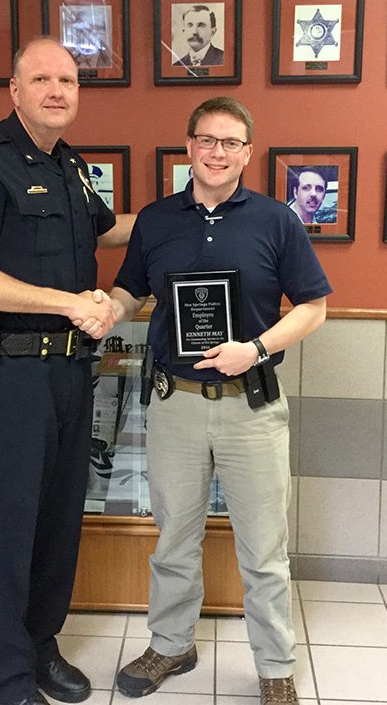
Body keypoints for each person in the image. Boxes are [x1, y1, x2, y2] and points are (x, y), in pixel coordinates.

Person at [94, 97, 331, 705]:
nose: (217, 152)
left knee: (263, 548)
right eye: (207, 140)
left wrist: (254, 348)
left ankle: (275, 667)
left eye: (230, 143)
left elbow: (313, 308)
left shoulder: (277, 220)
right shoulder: (155, 219)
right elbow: (129, 289)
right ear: (189, 147)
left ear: (247, 153)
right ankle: (171, 645)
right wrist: (106, 310)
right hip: (175, 404)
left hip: (250, 406)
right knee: (174, 538)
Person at [0, 37, 135, 705]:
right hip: (9, 375)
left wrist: (178, 216)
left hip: (71, 375)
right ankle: (8, 680)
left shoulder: (71, 167)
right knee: (10, 531)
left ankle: (42, 649)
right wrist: (70, 303)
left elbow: (102, 231)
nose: (56, 91)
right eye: (40, 78)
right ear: (14, 90)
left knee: (58, 524)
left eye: (68, 81)